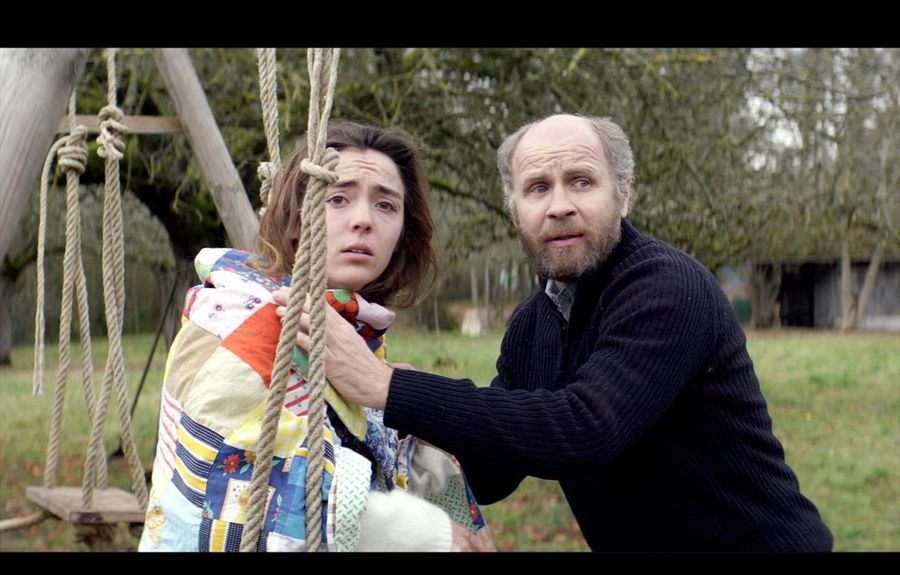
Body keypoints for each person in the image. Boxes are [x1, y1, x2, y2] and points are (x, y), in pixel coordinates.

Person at [284, 113, 834, 552]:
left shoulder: (667, 287)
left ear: (623, 194)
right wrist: (413, 424)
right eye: (537, 188)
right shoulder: (535, 322)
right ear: (515, 209)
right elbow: (495, 474)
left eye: (581, 182)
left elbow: (586, 430)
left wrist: (389, 388)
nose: (560, 206)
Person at [139, 121, 492, 552]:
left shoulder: (351, 330)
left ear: (403, 232)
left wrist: (413, 427)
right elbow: (228, 481)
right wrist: (424, 534)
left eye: (386, 205)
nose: (363, 220)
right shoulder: (244, 320)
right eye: (337, 198)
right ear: (295, 221)